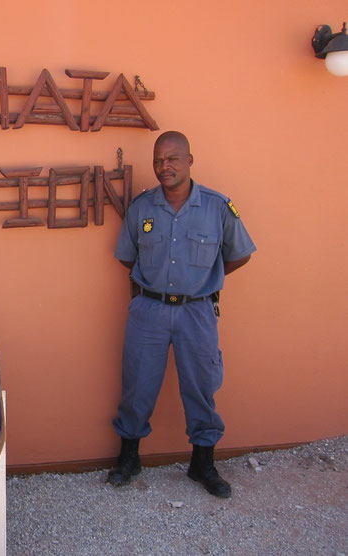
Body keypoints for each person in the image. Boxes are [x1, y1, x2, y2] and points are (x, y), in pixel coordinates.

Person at [107, 131, 256, 498]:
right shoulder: (142, 208)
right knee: (137, 385)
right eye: (158, 160)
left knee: (201, 387)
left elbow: (240, 253)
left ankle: (202, 463)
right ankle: (129, 458)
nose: (164, 166)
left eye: (173, 158)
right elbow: (128, 255)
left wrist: (205, 279)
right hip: (149, 310)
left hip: (197, 312)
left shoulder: (217, 207)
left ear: (190, 160)